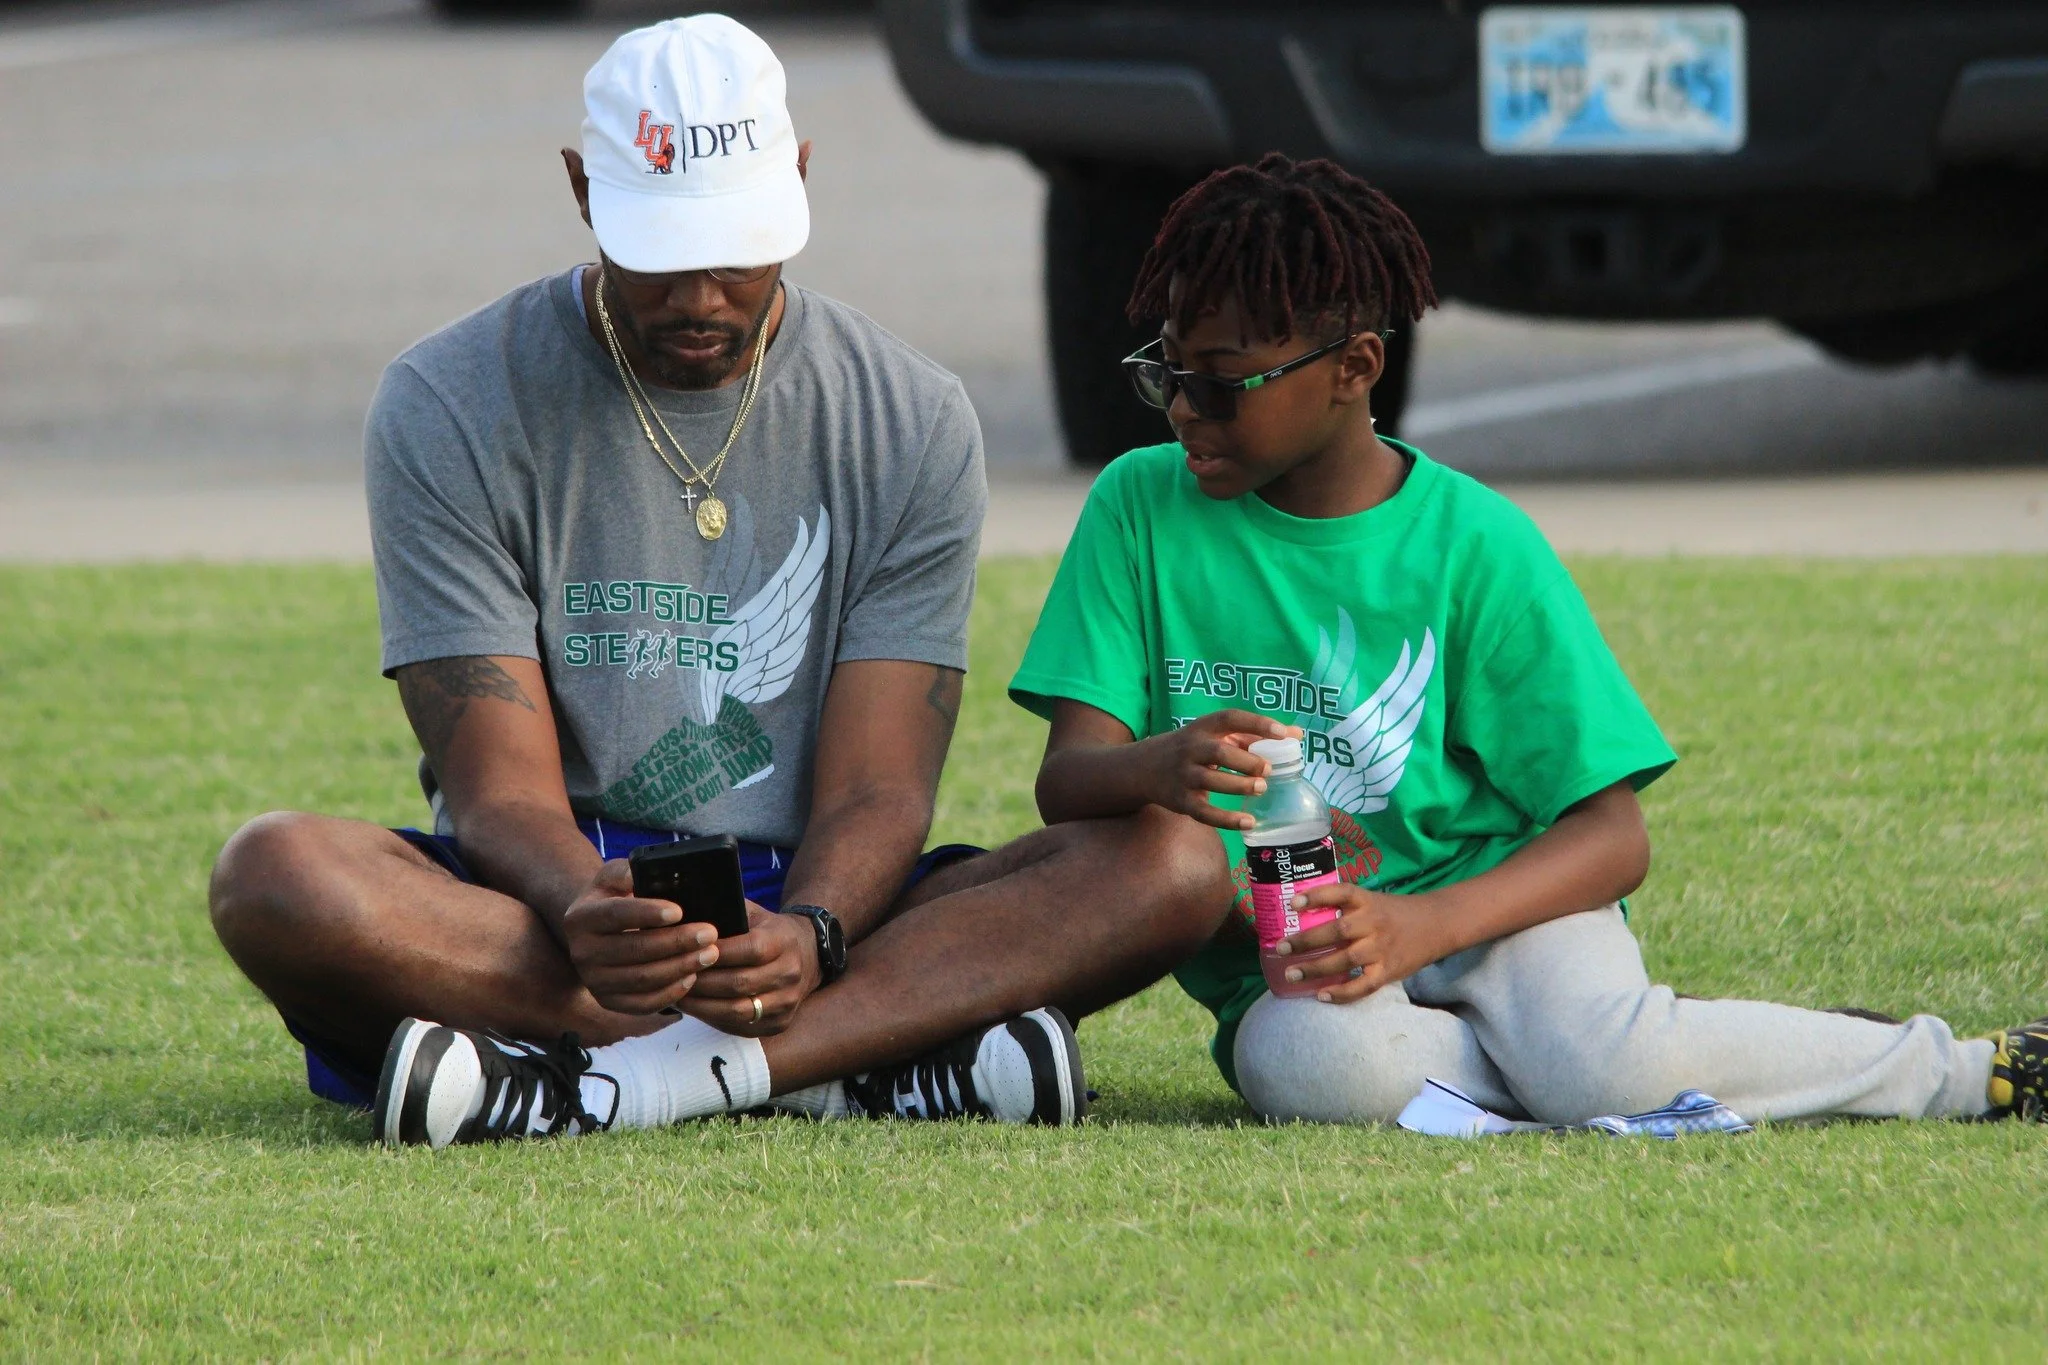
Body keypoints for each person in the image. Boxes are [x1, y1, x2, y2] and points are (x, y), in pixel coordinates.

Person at [206, 15, 1232, 1148]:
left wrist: (817, 932)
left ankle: (590, 1081)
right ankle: (863, 1061)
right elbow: (500, 794)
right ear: (581, 190)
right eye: (660, 250)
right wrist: (579, 906)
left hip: (818, 907)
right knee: (273, 872)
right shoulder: (449, 397)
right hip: (547, 907)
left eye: (737, 248)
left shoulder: (910, 414)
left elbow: (877, 791)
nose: (700, 296)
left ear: (798, 182)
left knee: (1172, 862)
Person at [1007, 152, 2048, 1128]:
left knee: (1605, 1059)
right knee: (1305, 1069)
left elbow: (1611, 838)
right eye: (1167, 372)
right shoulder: (1137, 506)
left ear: (1352, 366)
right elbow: (1069, 785)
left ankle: (1951, 1069)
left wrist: (1424, 926)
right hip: (1302, 963)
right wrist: (1160, 763)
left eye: (1222, 381)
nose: (1185, 409)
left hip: (1498, 914)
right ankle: (1638, 1072)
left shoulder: (1473, 545)